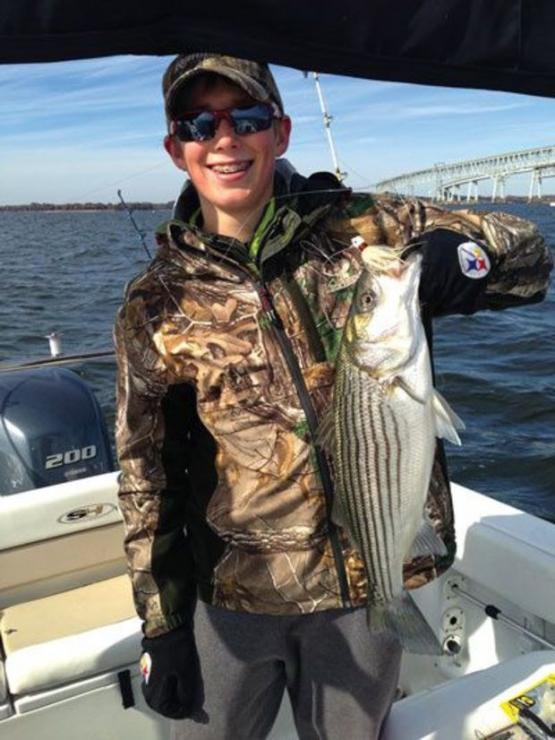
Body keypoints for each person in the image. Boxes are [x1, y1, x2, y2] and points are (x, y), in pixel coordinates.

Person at [114, 52, 552, 739]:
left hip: (365, 582)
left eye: (247, 117)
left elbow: (529, 254)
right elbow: (146, 478)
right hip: (230, 598)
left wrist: (463, 261)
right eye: (199, 122)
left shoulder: (364, 229)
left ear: (280, 132)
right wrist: (162, 623)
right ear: (177, 149)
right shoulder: (156, 301)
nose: (224, 139)